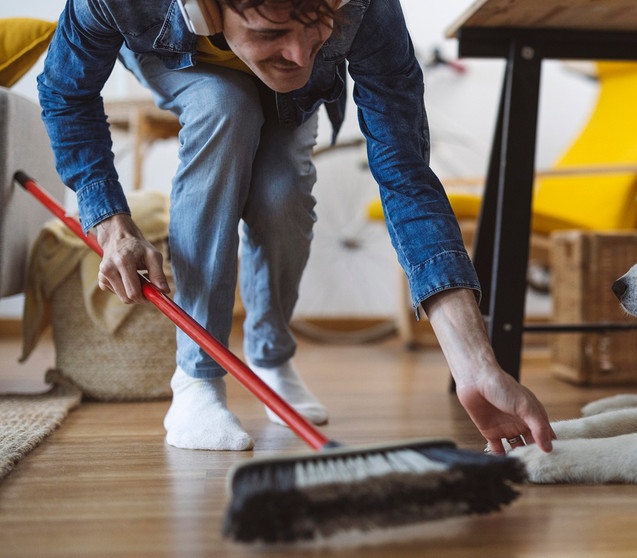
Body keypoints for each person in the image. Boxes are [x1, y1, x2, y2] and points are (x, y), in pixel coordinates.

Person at [38, 0, 554, 454]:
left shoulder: (367, 8)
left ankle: (271, 357)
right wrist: (110, 221)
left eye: (318, 30)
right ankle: (196, 381)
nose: (300, 58)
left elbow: (406, 172)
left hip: (284, 101)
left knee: (283, 190)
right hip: (180, 62)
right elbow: (65, 92)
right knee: (225, 106)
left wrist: (475, 365)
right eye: (270, 32)